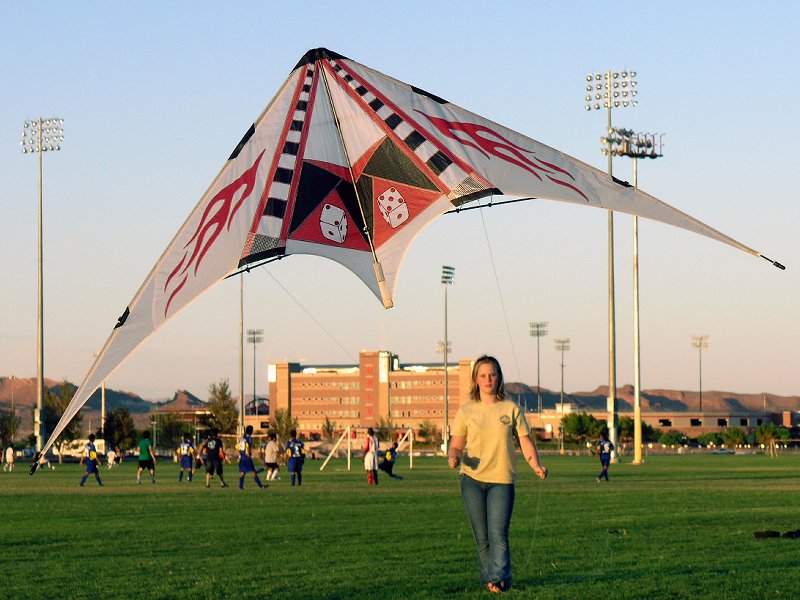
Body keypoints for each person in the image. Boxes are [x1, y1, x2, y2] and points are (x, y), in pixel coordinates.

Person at [448, 355, 547, 594]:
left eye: (492, 374)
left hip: (501, 480)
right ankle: (491, 580)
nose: (488, 379)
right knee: (482, 537)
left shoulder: (511, 409)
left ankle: (499, 579)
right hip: (471, 480)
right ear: (476, 380)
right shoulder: (467, 411)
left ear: (499, 377)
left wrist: (536, 465)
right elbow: (456, 444)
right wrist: (453, 457)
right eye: (483, 375)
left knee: (498, 534)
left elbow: (525, 442)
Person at [238, 425, 266, 490]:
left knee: (242, 472)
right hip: (247, 458)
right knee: (254, 472)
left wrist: (241, 455)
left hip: (242, 458)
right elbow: (248, 447)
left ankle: (241, 486)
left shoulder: (242, 438)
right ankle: (261, 486)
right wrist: (249, 455)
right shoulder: (249, 438)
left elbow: (238, 447)